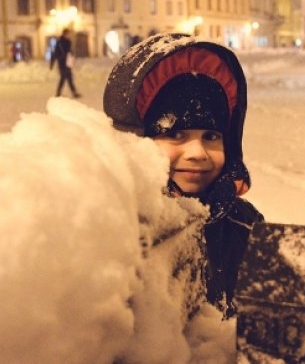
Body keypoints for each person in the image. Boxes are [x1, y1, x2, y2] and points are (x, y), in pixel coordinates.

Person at [103, 32, 263, 316]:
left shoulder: (244, 225)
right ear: (136, 140)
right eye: (175, 134)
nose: (197, 153)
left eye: (212, 135)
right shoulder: (118, 232)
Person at [50, 28, 81, 98]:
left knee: (67, 78)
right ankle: (63, 92)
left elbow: (68, 52)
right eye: (68, 34)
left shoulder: (66, 42)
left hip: (66, 62)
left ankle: (71, 92)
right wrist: (52, 63)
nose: (69, 35)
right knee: (65, 78)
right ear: (65, 34)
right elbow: (55, 53)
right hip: (63, 63)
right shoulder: (60, 42)